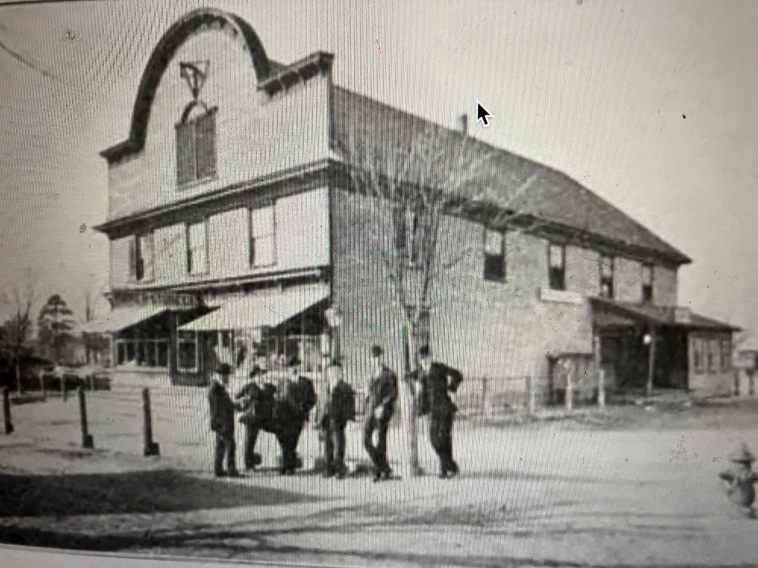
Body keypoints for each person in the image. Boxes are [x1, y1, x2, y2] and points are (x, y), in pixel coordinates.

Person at [412, 344, 463, 479]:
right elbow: (408, 376)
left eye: (426, 358)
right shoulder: (421, 373)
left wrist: (452, 389)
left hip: (445, 408)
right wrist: (415, 383)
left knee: (444, 438)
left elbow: (458, 375)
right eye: (421, 359)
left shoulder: (438, 368)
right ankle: (451, 466)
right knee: (434, 439)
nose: (424, 361)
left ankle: (444, 469)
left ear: (430, 357)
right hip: (433, 411)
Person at [363, 345, 398, 482]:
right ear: (371, 359)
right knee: (365, 440)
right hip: (370, 412)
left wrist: (383, 406)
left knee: (380, 441)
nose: (376, 360)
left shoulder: (389, 374)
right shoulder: (371, 375)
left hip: (382, 412)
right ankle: (384, 467)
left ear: (382, 357)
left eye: (378, 356)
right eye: (373, 357)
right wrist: (366, 396)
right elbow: (370, 394)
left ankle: (379, 471)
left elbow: (393, 393)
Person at [321, 358, 356, 479]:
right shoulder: (326, 386)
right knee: (327, 444)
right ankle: (328, 468)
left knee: (338, 445)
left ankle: (339, 469)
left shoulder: (345, 387)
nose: (332, 373)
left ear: (340, 372)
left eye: (335, 371)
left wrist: (348, 418)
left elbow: (350, 403)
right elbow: (322, 403)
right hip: (327, 419)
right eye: (330, 371)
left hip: (339, 420)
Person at [208, 363, 240, 477]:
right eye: (225, 376)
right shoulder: (215, 389)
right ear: (219, 375)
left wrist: (236, 406)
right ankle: (231, 470)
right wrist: (219, 425)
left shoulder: (219, 388)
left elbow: (227, 404)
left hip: (223, 423)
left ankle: (218, 470)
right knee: (230, 445)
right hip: (223, 423)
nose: (227, 379)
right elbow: (217, 409)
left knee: (221, 446)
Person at [236, 364, 266, 471]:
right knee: (249, 440)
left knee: (251, 440)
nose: (262, 377)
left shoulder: (260, 386)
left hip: (257, 417)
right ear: (255, 376)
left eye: (262, 374)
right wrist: (245, 402)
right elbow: (237, 396)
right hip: (251, 417)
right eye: (260, 374)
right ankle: (248, 463)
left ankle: (250, 461)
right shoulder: (251, 386)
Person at [719, 443, 758, 518]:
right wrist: (727, 487)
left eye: (746, 463)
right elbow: (723, 477)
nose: (743, 465)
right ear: (735, 462)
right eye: (740, 462)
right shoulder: (732, 473)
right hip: (736, 503)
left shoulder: (749, 474)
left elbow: (754, 477)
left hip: (748, 503)